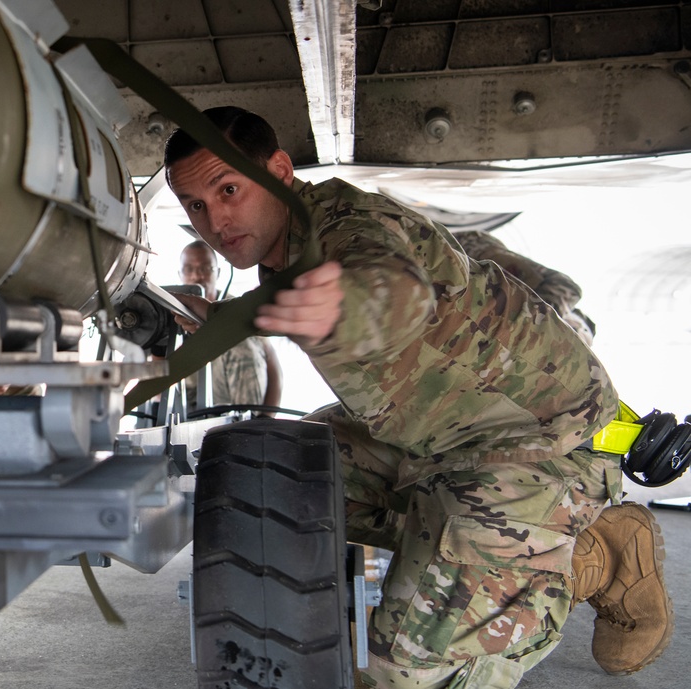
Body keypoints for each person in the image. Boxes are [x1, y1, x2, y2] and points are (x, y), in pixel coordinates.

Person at [163, 106, 673, 688]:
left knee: (406, 673)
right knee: (280, 470)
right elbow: (282, 303)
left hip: (534, 444)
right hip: (429, 434)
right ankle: (493, 556)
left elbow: (394, 288)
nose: (217, 219)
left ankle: (591, 561)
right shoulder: (282, 248)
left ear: (280, 171)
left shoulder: (347, 224)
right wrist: (212, 316)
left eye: (229, 188)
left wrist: (346, 308)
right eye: (196, 205)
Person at [178, 240, 282, 414]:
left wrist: (265, 420)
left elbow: (273, 366)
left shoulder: (237, 310)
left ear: (217, 273)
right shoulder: (173, 312)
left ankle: (246, 426)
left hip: (233, 402)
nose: (197, 276)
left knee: (241, 345)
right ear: (180, 274)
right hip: (188, 403)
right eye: (189, 269)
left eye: (205, 268)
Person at [453, 230, 596, 346]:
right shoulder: (564, 291)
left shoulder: (523, 337)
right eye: (575, 331)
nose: (567, 334)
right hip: (466, 247)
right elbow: (564, 288)